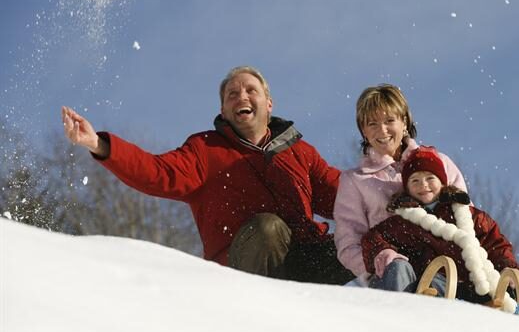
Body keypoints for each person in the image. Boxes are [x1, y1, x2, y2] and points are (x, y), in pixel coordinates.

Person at [61, 65, 353, 285]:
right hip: (245, 269)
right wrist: (99, 144)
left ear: (269, 103)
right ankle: (266, 320)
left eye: (251, 90)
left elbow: (347, 196)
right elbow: (158, 172)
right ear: (224, 111)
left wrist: (382, 195)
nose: (242, 96)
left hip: (305, 256)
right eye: (232, 94)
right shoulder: (206, 149)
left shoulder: (300, 152)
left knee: (367, 241)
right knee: (268, 228)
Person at [333, 84, 467, 283]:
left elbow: (467, 218)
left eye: (389, 120)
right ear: (364, 131)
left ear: (404, 122)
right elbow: (349, 244)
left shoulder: (440, 164)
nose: (382, 130)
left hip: (448, 271)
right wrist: (383, 264)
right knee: (400, 272)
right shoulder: (355, 181)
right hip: (392, 276)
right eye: (372, 124)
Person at [360, 146, 519, 311]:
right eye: (415, 181)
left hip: (476, 286)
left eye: (430, 178)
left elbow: (495, 244)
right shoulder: (403, 222)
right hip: (430, 285)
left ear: (442, 182)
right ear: (407, 188)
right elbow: (372, 238)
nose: (423, 185)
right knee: (427, 279)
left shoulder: (471, 216)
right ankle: (401, 316)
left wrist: (507, 265)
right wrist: (385, 252)